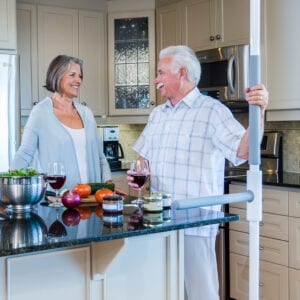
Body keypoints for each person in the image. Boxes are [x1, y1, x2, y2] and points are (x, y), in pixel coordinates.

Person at [127, 45, 268, 300]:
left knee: (200, 294)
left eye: (160, 73)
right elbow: (143, 161)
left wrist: (258, 111)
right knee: (165, 292)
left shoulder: (212, 111)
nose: (156, 80)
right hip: (159, 221)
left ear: (181, 73)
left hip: (196, 222)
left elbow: (243, 151)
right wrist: (138, 175)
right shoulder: (157, 114)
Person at [12, 55, 125, 194]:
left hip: (89, 199)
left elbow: (100, 156)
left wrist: (109, 186)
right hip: (55, 201)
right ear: (57, 76)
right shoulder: (41, 112)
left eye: (80, 76)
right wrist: (7, 190)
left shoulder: (86, 113)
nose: (78, 80)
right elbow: (24, 154)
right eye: (72, 75)